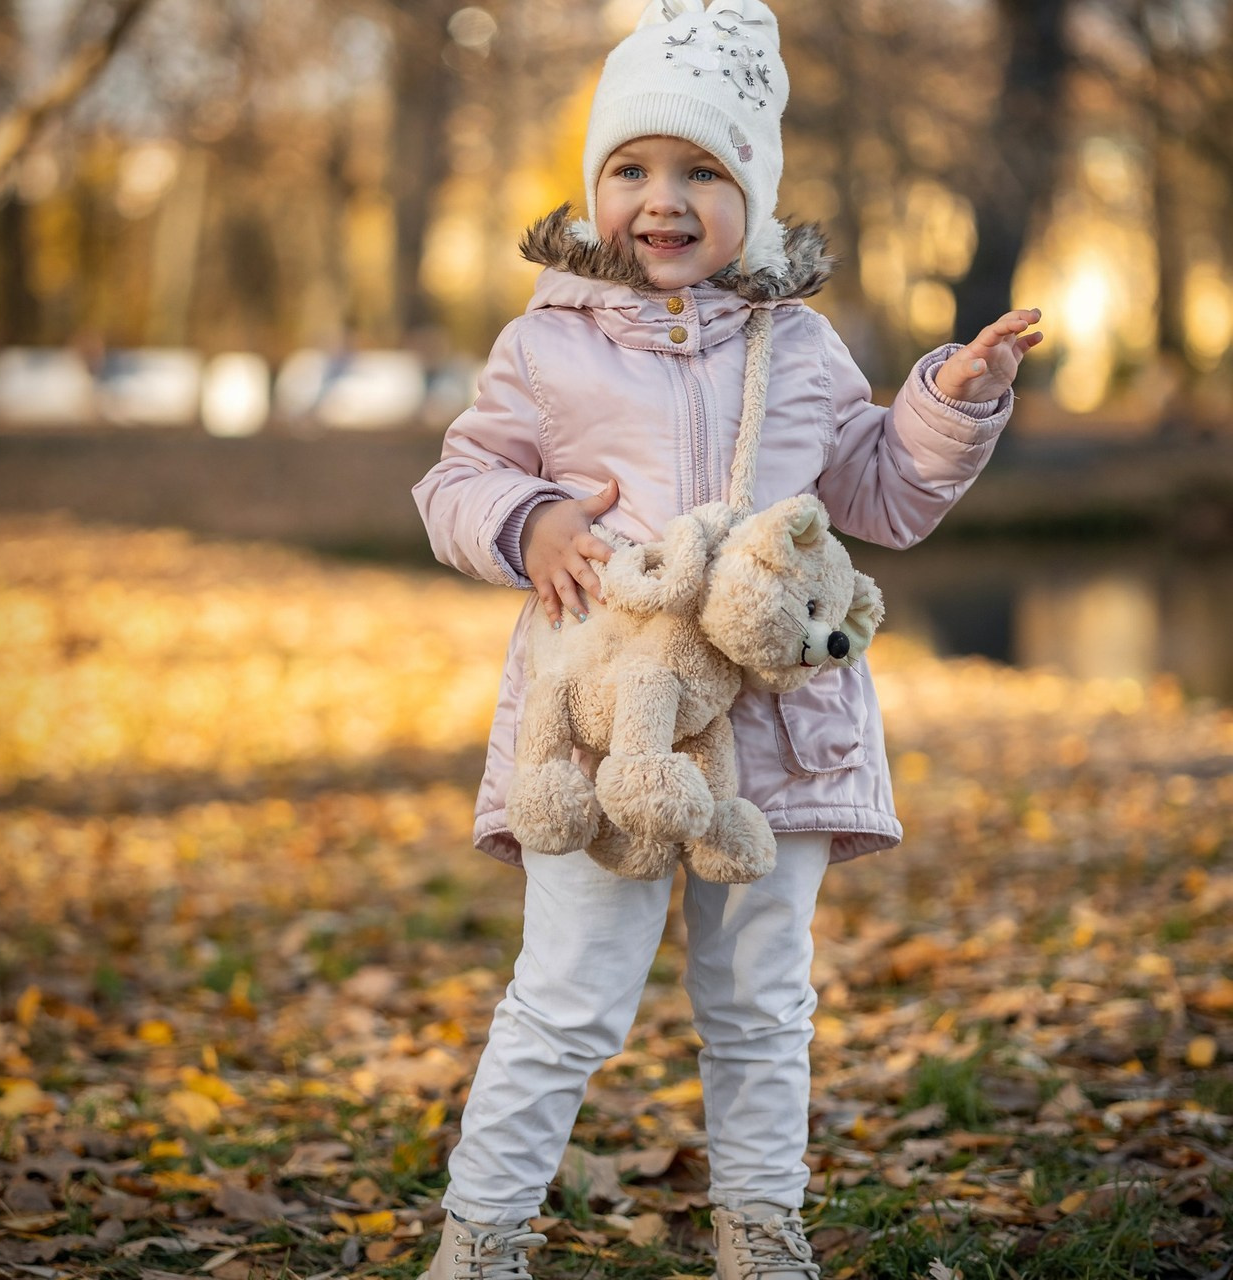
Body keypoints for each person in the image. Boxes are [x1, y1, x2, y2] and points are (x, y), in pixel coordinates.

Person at [412, 2, 1042, 1276]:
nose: (666, 198)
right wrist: (529, 524)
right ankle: (481, 1233)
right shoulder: (544, 347)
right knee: (568, 993)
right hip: (609, 720)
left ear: (751, 193)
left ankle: (758, 1221)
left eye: (704, 171)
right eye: (634, 168)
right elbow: (456, 481)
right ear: (596, 190)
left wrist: (945, 404)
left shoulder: (802, 347)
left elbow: (874, 498)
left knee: (760, 1000)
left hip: (776, 725)